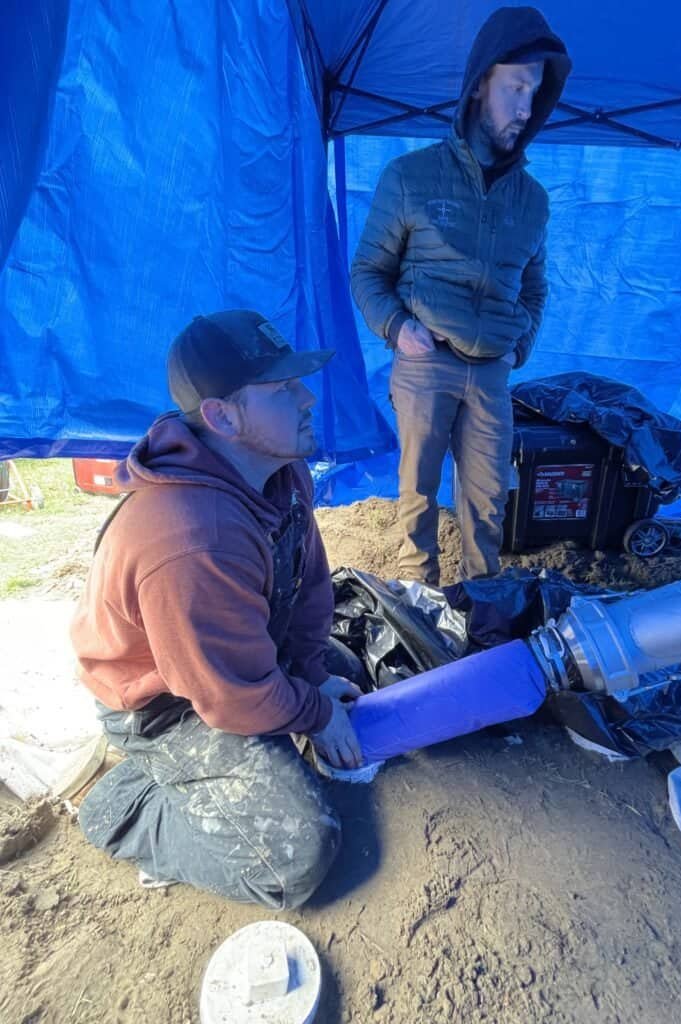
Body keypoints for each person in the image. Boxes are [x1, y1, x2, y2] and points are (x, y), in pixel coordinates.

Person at [70, 309, 365, 908]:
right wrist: (310, 713)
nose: (307, 398)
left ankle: (257, 741)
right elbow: (227, 693)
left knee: (347, 675)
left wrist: (309, 676)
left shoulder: (281, 470)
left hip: (227, 660)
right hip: (165, 704)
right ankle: (127, 804)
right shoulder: (190, 537)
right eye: (282, 389)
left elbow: (309, 586)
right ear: (222, 416)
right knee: (297, 856)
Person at [350, 7, 571, 586]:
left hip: (492, 370)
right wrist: (400, 329)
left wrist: (519, 345)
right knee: (416, 493)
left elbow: (536, 285)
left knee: (488, 496)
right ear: (480, 86)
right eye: (515, 87)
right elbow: (368, 271)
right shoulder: (410, 177)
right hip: (427, 361)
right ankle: (416, 598)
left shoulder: (535, 200)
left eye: (536, 93)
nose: (526, 109)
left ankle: (485, 604)